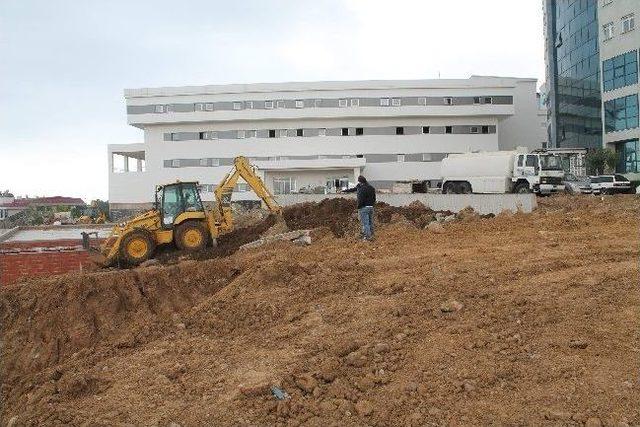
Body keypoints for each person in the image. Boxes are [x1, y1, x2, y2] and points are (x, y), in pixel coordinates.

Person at [342, 175, 376, 240]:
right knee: (370, 222)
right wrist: (345, 191)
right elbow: (374, 198)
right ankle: (372, 235)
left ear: (360, 182)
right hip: (371, 207)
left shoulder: (362, 189)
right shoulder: (371, 188)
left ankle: (368, 237)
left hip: (364, 208)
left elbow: (361, 199)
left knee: (365, 223)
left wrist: (359, 207)